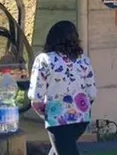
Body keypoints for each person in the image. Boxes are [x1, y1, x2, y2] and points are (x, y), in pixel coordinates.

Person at [28, 21, 97, 155]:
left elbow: (36, 98)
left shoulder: (44, 59)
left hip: (57, 117)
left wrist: (46, 113)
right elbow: (92, 93)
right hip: (81, 118)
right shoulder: (83, 60)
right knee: (60, 150)